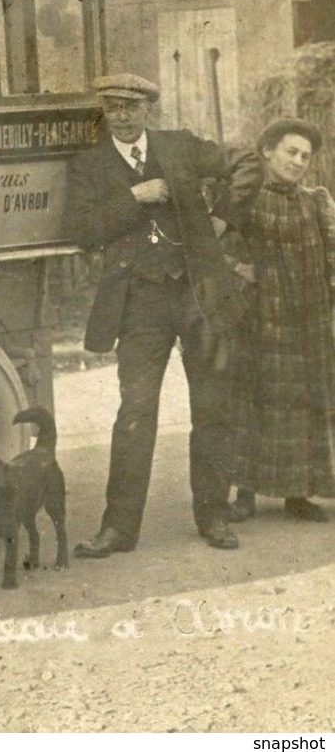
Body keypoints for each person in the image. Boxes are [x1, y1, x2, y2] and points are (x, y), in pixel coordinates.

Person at [65, 74, 249, 558]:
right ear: (103, 112)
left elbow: (247, 163)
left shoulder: (179, 146)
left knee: (211, 407)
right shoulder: (89, 165)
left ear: (149, 109)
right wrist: (135, 198)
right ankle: (118, 529)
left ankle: (213, 515)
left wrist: (223, 219)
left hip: (197, 294)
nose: (122, 116)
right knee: (135, 412)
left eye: (131, 106)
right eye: (112, 107)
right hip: (139, 304)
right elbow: (83, 230)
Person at [220, 118, 335, 524]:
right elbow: (219, 250)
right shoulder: (244, 200)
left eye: (305, 156)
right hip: (261, 317)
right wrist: (240, 270)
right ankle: (244, 494)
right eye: (291, 151)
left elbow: (332, 255)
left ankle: (298, 494)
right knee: (255, 401)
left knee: (305, 404)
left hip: (310, 319)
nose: (299, 161)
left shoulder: (315, 201)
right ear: (267, 151)